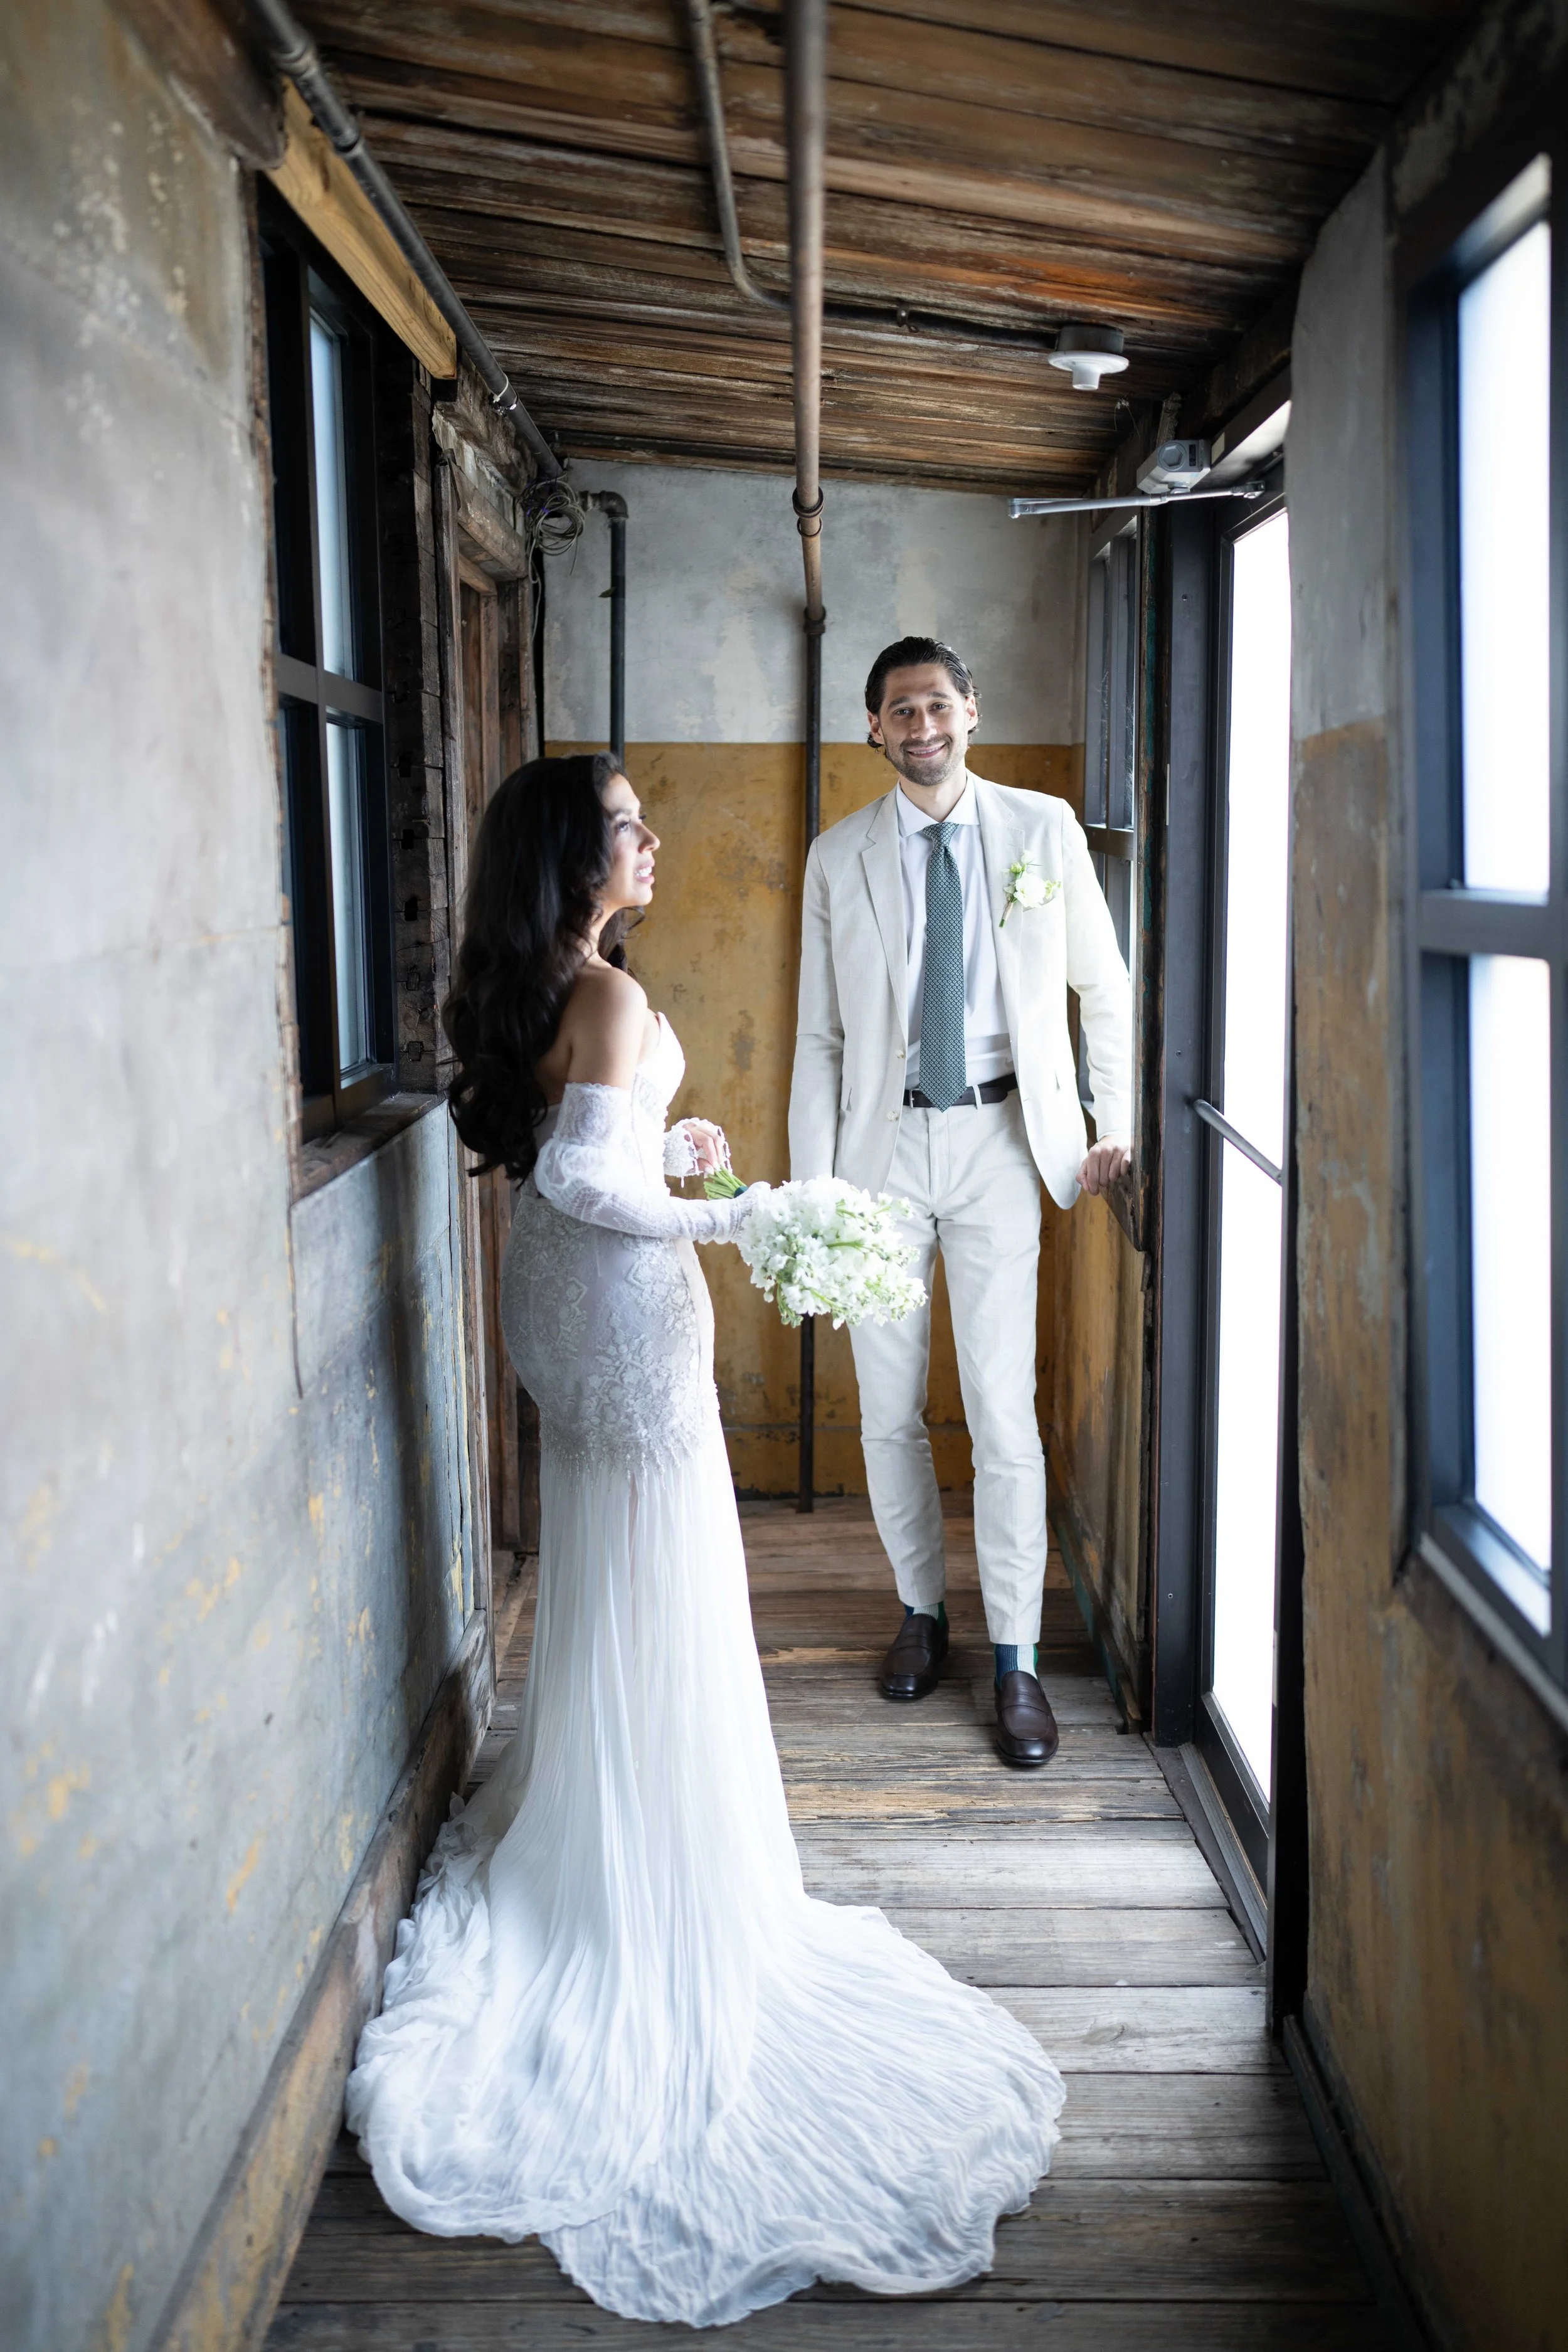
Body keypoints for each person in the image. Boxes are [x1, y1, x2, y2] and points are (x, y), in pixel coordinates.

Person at [344, 751, 1064, 2328]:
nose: (650, 839)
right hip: (611, 1311)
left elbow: (575, 1159)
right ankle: (653, 1872)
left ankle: (603, 1810)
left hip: (563, 1305)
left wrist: (675, 1157)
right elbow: (591, 1184)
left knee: (621, 1561)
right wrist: (747, 1216)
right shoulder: (600, 993)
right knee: (664, 1558)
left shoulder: (559, 981)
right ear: (569, 855)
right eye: (623, 825)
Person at [789, 639, 1132, 1768]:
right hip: (880, 1150)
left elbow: (1099, 985)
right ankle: (922, 1613)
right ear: (873, 732)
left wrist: (1109, 1120)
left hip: (1000, 1141)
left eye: (937, 703)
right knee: (885, 1405)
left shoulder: (1043, 829)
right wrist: (815, 1192)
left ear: (971, 712)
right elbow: (822, 1038)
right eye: (900, 711)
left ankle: (1019, 1655)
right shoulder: (837, 857)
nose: (922, 724)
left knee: (1000, 1406)